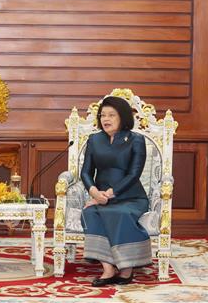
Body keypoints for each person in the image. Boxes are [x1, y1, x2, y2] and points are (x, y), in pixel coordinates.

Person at [80, 96, 150, 287]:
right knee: (89, 213)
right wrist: (94, 193)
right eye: (103, 115)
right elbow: (85, 172)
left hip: (130, 197)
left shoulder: (136, 140)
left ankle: (126, 269)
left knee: (119, 213)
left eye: (111, 115)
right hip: (100, 196)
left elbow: (134, 174)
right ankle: (108, 269)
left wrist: (109, 195)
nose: (106, 119)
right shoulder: (94, 140)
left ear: (123, 117)